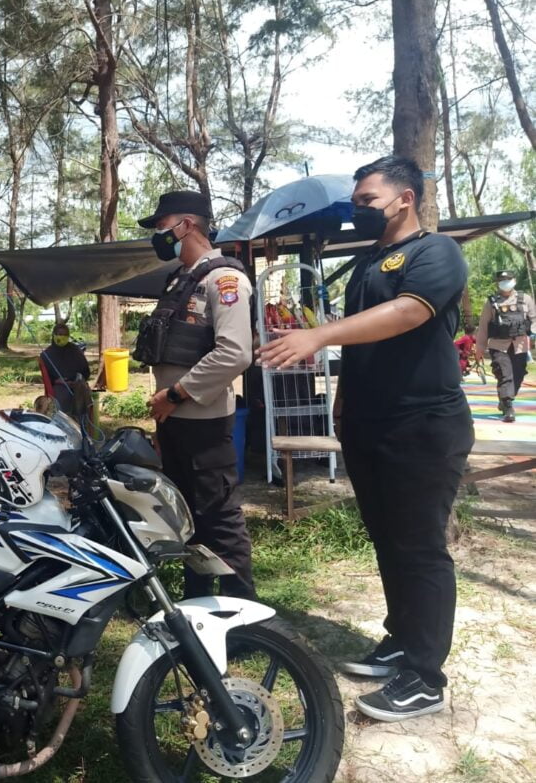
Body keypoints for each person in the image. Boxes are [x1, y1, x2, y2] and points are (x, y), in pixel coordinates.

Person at [260, 155, 474, 723]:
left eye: (367, 201)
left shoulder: (437, 253)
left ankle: (425, 678)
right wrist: (342, 403)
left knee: (420, 548)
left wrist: (317, 335)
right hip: (369, 422)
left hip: (423, 424)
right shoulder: (367, 263)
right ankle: (402, 640)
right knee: (388, 539)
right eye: (356, 202)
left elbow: (407, 313)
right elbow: (362, 347)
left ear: (404, 198)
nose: (358, 211)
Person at [135, 189, 256, 601]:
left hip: (203, 422)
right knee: (186, 517)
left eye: (161, 226)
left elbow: (235, 353)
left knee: (219, 519)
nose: (158, 234)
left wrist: (177, 393)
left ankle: (242, 610)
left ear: (185, 225)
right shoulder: (180, 280)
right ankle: (199, 601)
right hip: (175, 421)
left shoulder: (225, 280)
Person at [475, 269, 536, 422]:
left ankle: (504, 400)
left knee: (519, 374)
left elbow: (534, 319)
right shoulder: (491, 302)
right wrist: (480, 348)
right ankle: (508, 406)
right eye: (502, 281)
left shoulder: (525, 298)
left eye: (508, 280)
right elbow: (483, 326)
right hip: (498, 345)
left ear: (514, 281)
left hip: (520, 345)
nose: (505, 283)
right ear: (497, 283)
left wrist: (534, 333)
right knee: (504, 374)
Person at [39, 322, 94, 421]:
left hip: (76, 383)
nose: (62, 337)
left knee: (83, 391)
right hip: (59, 385)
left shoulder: (75, 350)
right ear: (54, 335)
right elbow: (48, 379)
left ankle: (82, 421)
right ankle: (65, 422)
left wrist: (77, 380)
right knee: (63, 396)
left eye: (65, 335)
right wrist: (57, 381)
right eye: (60, 334)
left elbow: (85, 371)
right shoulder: (46, 355)